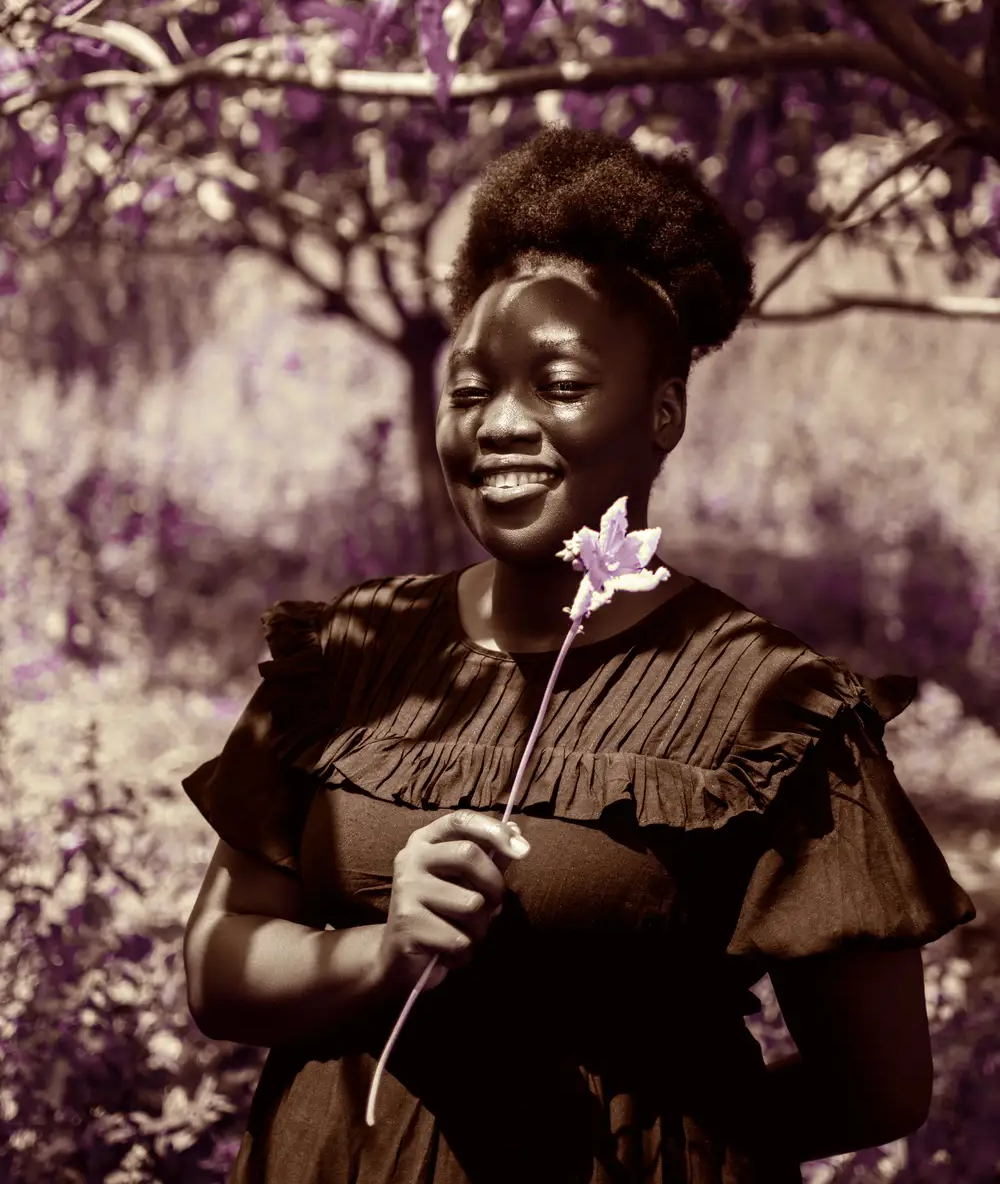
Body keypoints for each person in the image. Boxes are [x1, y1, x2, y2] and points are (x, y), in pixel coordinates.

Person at [181, 124, 976, 1184]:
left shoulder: (770, 709)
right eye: (468, 392)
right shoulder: (347, 654)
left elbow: (877, 1087)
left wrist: (663, 1144)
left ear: (663, 412)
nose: (498, 426)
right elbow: (218, 966)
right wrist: (384, 952)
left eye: (557, 387)